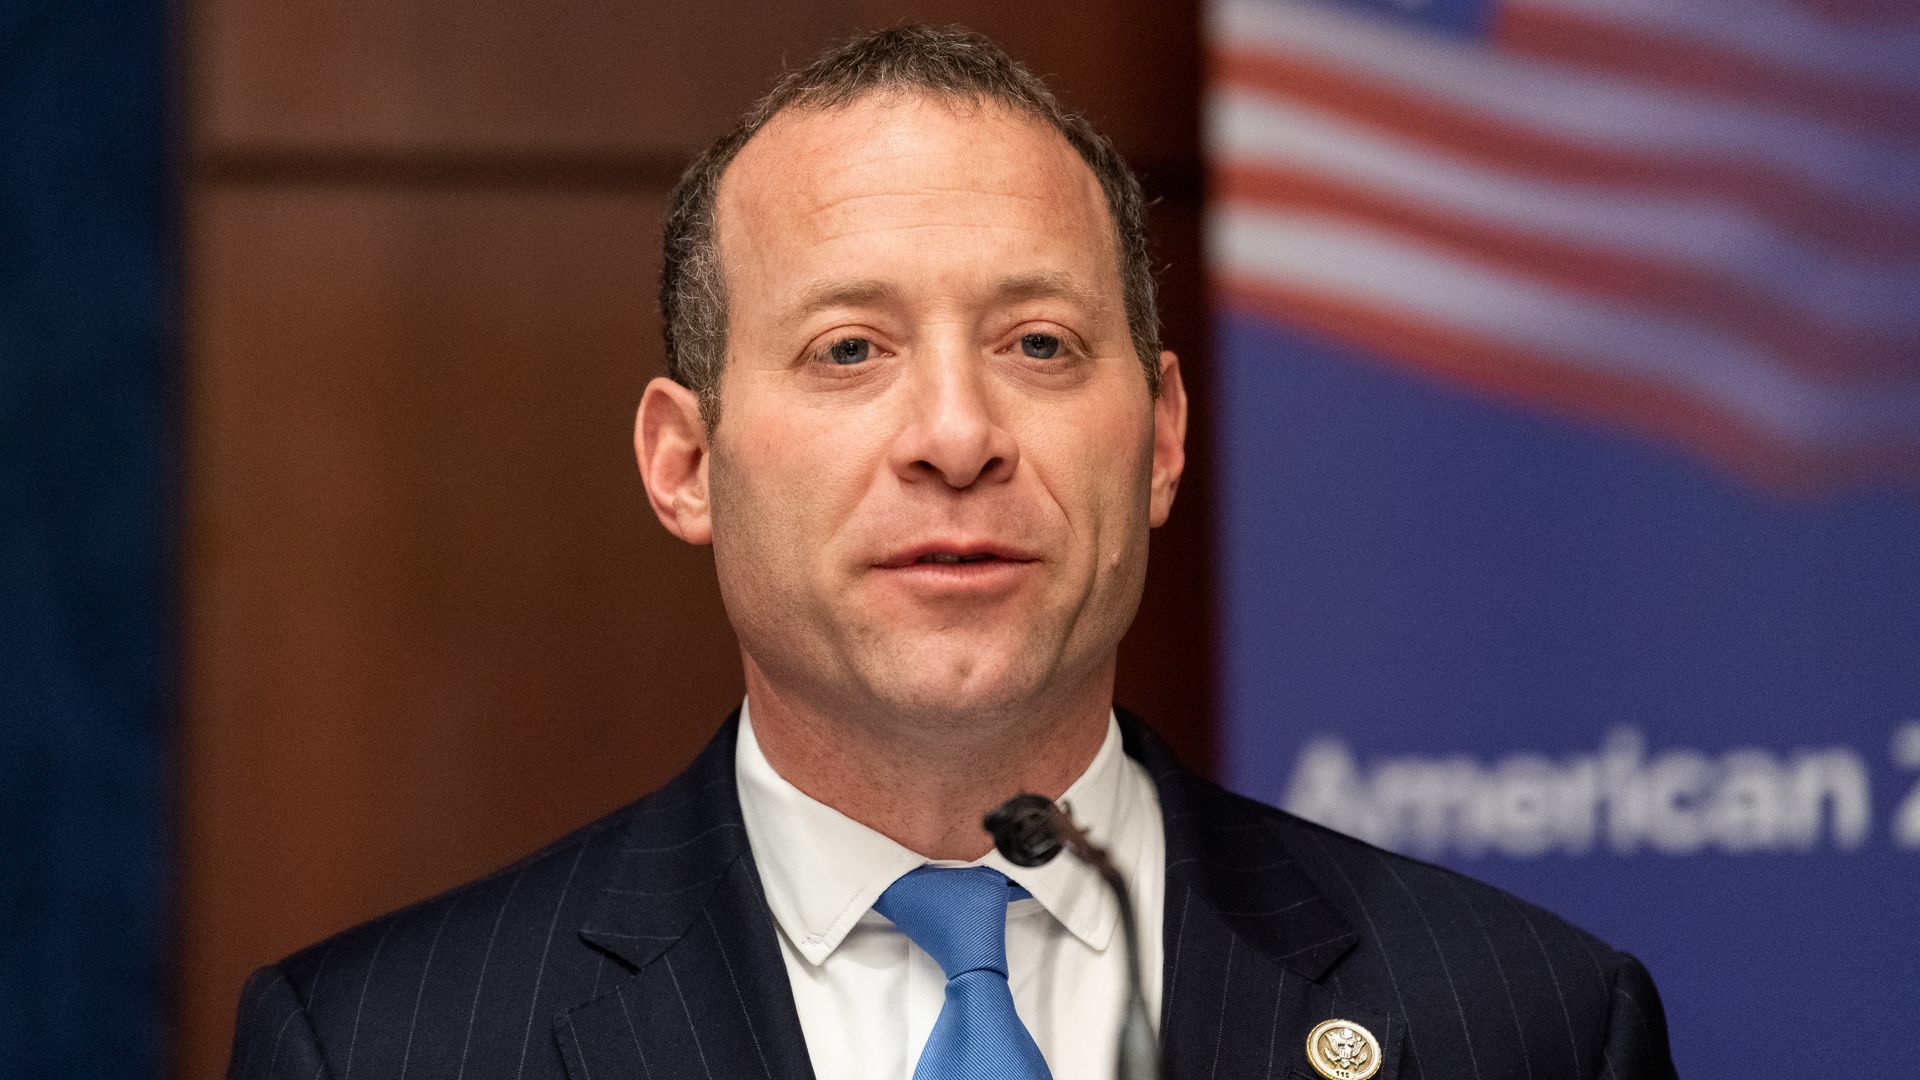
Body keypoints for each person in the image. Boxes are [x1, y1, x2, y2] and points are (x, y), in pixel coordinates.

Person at [226, 25, 1676, 1080]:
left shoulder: (1525, 1023)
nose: (957, 434)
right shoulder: (381, 1047)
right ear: (686, 464)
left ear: (1161, 438)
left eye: (1039, 345)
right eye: (849, 350)